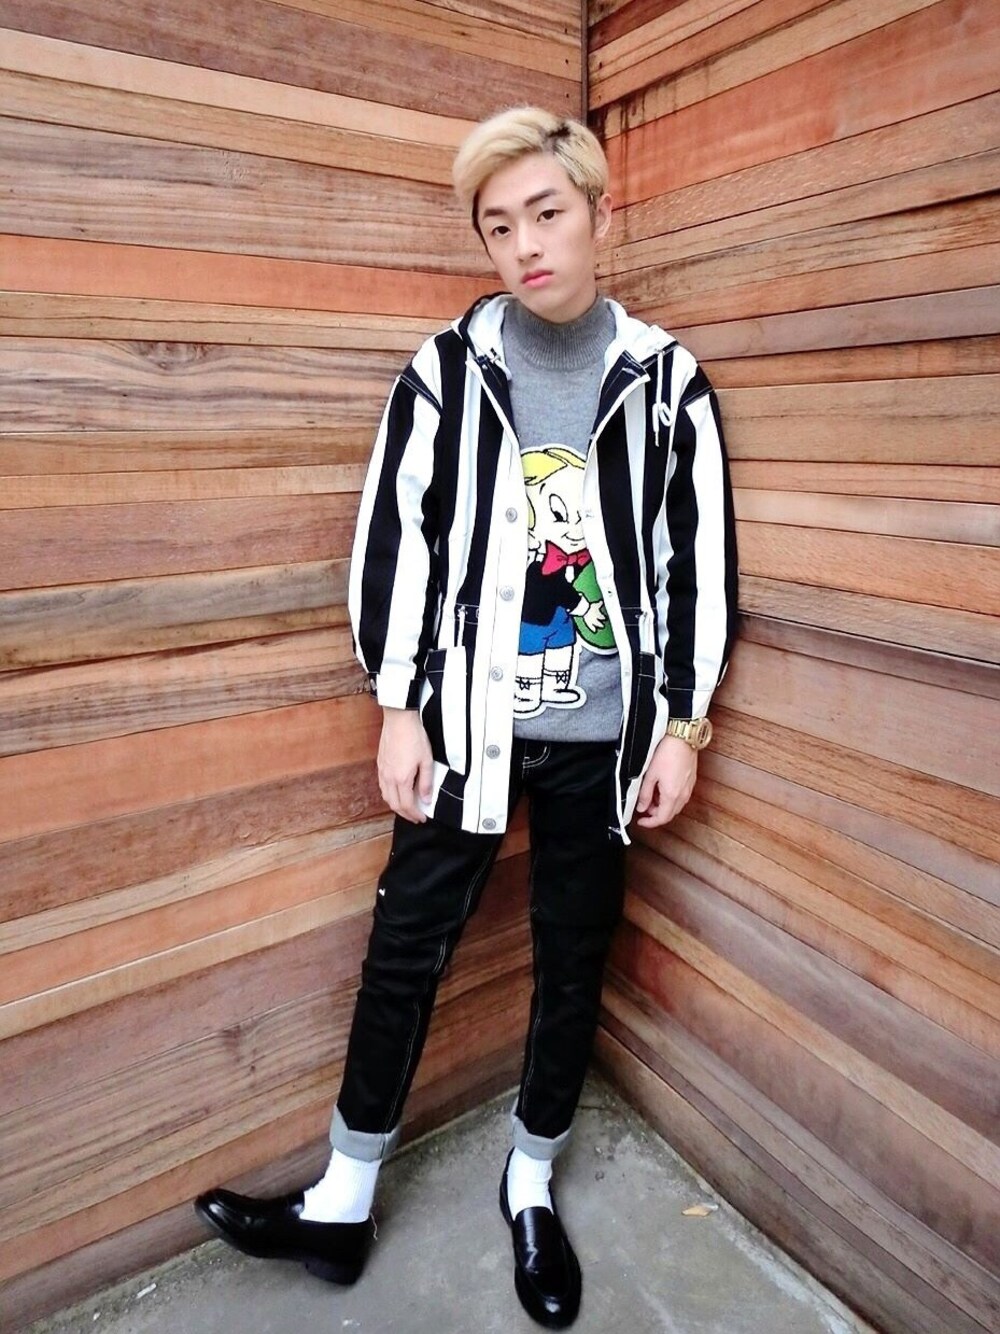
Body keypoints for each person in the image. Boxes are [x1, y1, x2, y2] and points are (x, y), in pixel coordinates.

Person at [195, 105, 738, 1329]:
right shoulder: (446, 370)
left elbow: (696, 567)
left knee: (570, 955)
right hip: (465, 725)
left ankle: (530, 1184)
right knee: (405, 945)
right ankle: (341, 1200)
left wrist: (679, 724)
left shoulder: (665, 383)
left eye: (546, 213)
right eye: (499, 226)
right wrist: (397, 703)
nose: (525, 245)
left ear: (600, 215)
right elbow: (394, 538)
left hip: (603, 742)